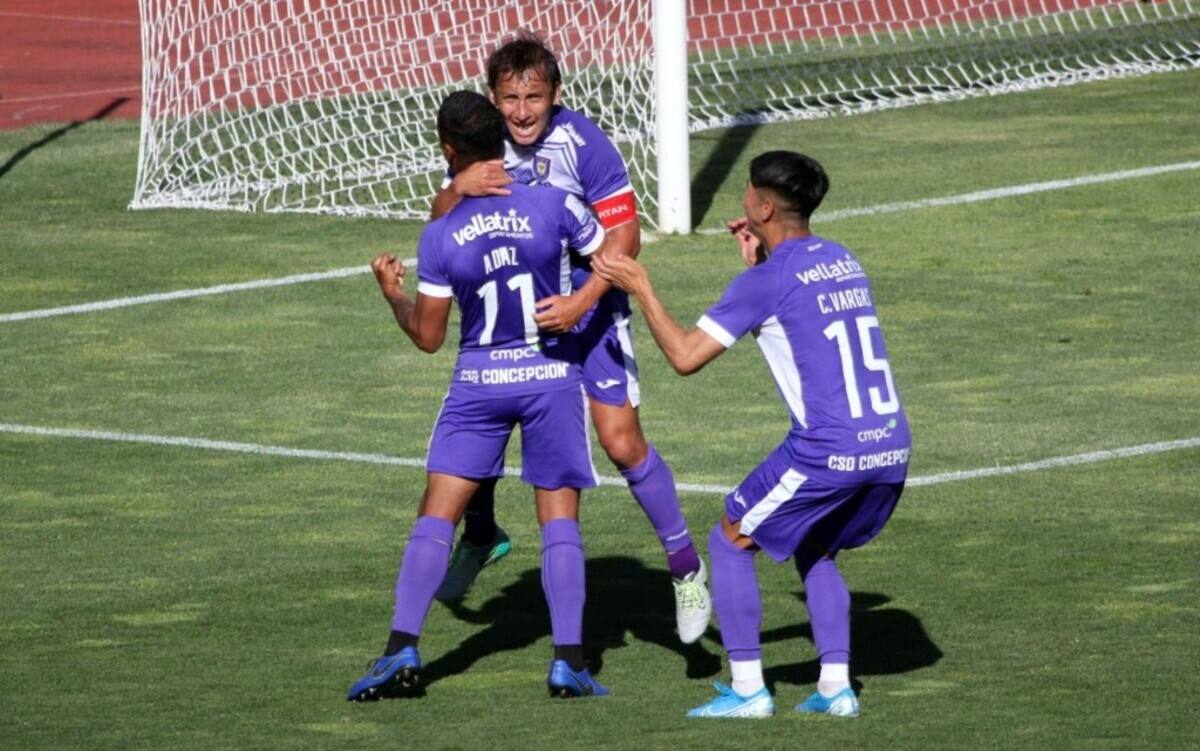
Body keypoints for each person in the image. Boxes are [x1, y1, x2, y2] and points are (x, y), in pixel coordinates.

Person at [592, 151, 912, 719]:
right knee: (815, 544)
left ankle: (747, 690)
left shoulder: (765, 282)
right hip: (890, 444)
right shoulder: (842, 258)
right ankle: (836, 688)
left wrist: (641, 286)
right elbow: (798, 305)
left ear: (764, 207)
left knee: (729, 540)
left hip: (828, 451)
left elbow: (685, 357)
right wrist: (762, 256)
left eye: (748, 191)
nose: (741, 198)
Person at [428, 33, 711, 644]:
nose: (522, 111)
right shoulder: (485, 146)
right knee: (484, 422)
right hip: (517, 320)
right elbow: (442, 222)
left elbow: (625, 236)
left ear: (556, 93)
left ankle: (685, 568)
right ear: (492, 97)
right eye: (510, 98)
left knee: (621, 442)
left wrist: (583, 302)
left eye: (534, 97)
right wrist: (456, 190)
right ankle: (482, 534)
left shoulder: (585, 144)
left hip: (592, 312)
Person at [347, 91, 609, 702]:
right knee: (559, 521)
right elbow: (612, 257)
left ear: (448, 150)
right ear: (503, 140)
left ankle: (401, 649)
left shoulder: (441, 234)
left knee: (437, 517)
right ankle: (568, 662)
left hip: (478, 386)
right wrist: (579, 302)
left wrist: (393, 295)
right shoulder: (555, 203)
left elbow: (428, 337)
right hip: (549, 377)